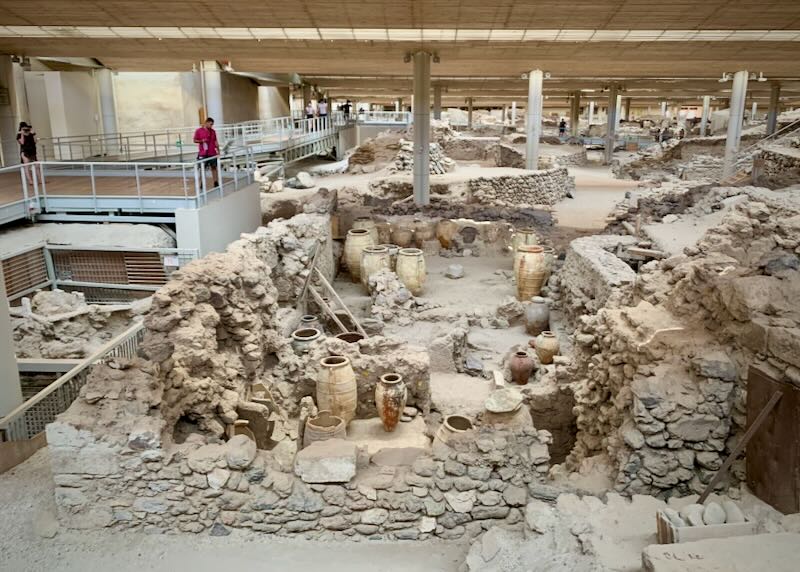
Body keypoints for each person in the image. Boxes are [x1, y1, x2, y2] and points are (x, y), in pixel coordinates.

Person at [193, 117, 219, 188]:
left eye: (212, 124)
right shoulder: (199, 131)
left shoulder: (213, 131)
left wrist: (218, 151)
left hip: (212, 153)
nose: (211, 126)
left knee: (214, 167)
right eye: (210, 124)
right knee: (202, 168)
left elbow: (215, 141)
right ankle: (202, 183)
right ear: (206, 123)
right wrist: (202, 141)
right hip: (203, 153)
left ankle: (216, 182)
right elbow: (195, 140)